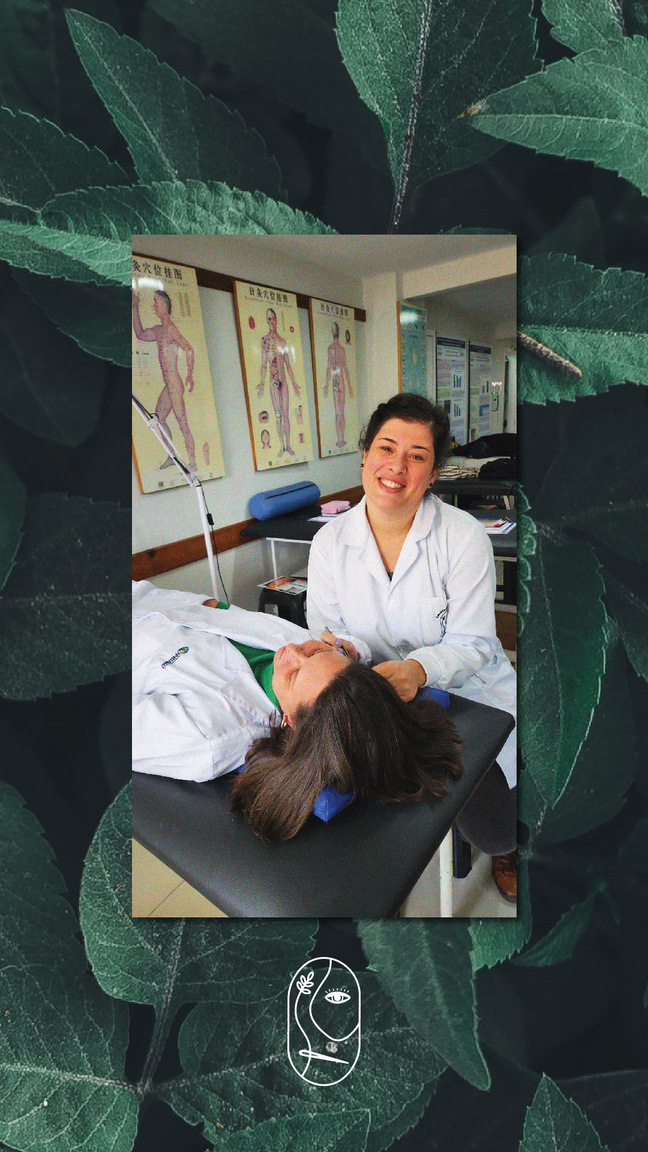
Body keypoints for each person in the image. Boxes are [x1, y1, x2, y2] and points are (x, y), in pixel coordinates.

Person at [307, 392, 518, 901]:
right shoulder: (330, 543)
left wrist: (418, 670)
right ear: (365, 455)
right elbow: (332, 633)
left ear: (433, 473)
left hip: (469, 695)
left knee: (496, 831)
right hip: (377, 695)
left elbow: (474, 642)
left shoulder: (463, 538)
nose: (396, 467)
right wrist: (348, 653)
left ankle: (507, 850)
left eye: (416, 456)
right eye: (386, 448)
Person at [133, 580, 462, 843]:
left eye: (294, 674)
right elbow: (336, 650)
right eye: (317, 651)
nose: (291, 651)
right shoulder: (318, 674)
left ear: (290, 721)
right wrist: (350, 648)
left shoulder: (208, 735)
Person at [132, 289, 197, 471]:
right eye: (154, 302)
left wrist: (190, 374)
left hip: (174, 383)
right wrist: (135, 307)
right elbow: (140, 334)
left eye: (156, 303)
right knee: (159, 418)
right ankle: (172, 456)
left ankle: (192, 462)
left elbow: (189, 349)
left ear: (164, 306)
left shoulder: (170, 330)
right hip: (169, 385)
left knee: (182, 422)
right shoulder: (159, 330)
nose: (154, 306)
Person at [257, 307, 301, 457]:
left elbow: (288, 365)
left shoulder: (282, 341)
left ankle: (288, 446)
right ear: (267, 321)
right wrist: (262, 384)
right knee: (278, 415)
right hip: (273, 381)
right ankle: (282, 446)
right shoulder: (264, 340)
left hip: (283, 380)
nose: (272, 322)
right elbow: (264, 364)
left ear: (276, 320)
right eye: (269, 319)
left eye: (274, 319)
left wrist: (294, 384)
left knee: (286, 414)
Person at [324, 321, 353, 447]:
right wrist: (326, 385)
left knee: (339, 413)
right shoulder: (337, 349)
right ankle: (340, 439)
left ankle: (341, 438)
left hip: (338, 385)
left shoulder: (337, 349)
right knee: (339, 413)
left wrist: (349, 386)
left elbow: (339, 368)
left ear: (333, 332)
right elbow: (334, 368)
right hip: (338, 384)